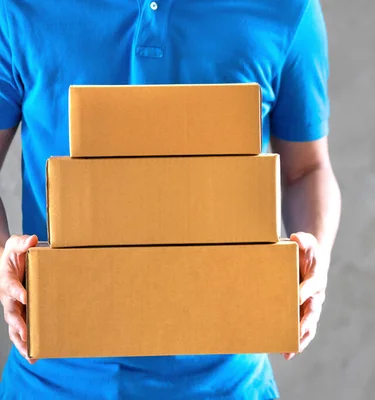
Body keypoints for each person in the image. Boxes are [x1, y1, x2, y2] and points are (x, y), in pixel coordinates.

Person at [0, 0, 341, 398]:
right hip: (51, 382)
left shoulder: (286, 8)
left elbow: (305, 170)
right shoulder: (18, 9)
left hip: (228, 384)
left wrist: (314, 259)